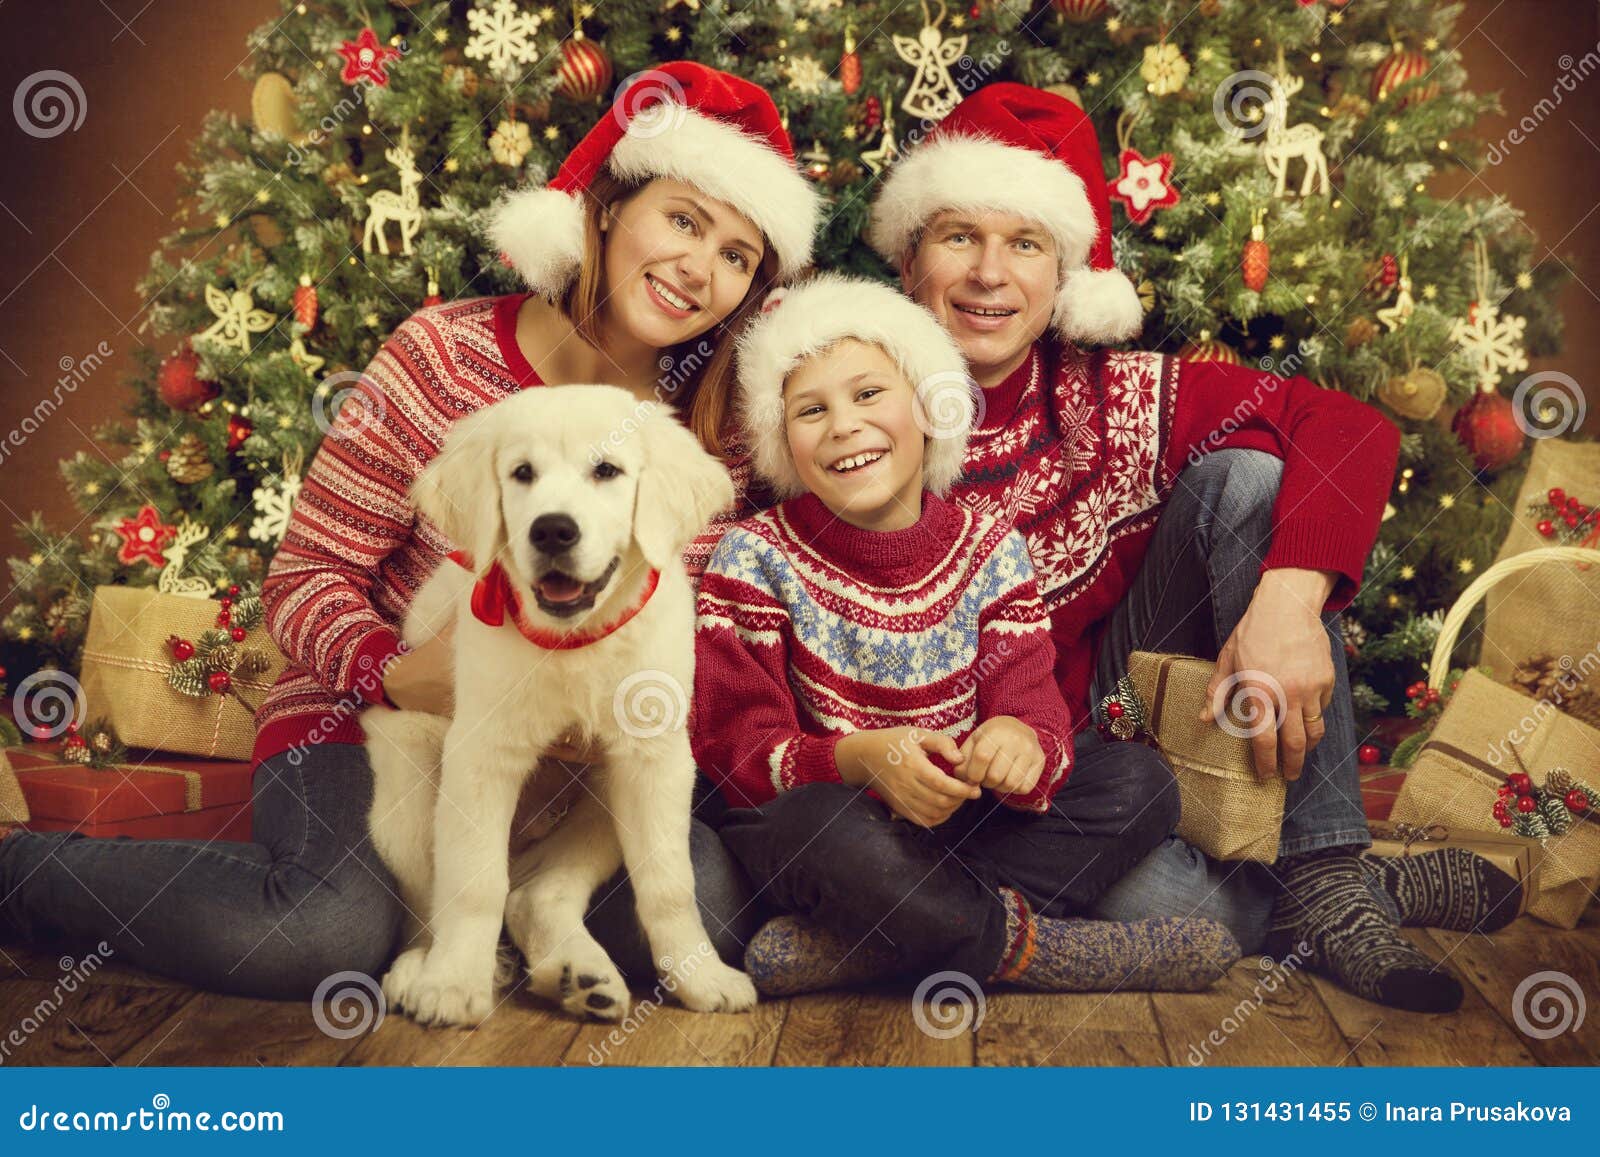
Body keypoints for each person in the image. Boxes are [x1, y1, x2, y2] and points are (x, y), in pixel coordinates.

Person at [0, 62, 822, 1000]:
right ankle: (25, 877)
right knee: (325, 931)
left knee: (706, 908)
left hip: (585, 759)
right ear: (604, 209)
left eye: (736, 255)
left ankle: (524, 914)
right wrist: (390, 667)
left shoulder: (711, 436)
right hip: (375, 720)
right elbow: (305, 575)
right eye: (682, 220)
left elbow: (698, 633)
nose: (697, 268)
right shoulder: (443, 355)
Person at [865, 82, 1522, 1013]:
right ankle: (1335, 897)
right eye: (958, 235)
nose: (989, 274)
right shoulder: (845, 390)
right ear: (909, 256)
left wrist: (1289, 606)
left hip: (1092, 730)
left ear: (1064, 275)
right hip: (938, 772)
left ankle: (1328, 864)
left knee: (1248, 476)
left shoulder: (1111, 392)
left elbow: (1349, 426)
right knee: (1169, 900)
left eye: (1026, 243)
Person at [693, 273, 1241, 997]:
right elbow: (737, 758)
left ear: (929, 408)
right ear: (781, 441)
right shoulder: (755, 556)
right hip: (829, 836)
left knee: (1138, 784)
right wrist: (861, 759)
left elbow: (1032, 703)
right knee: (818, 830)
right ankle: (1029, 950)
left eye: (867, 395)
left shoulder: (989, 547)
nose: (843, 426)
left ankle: (874, 944)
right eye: (809, 410)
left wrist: (1017, 739)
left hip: (959, 831)